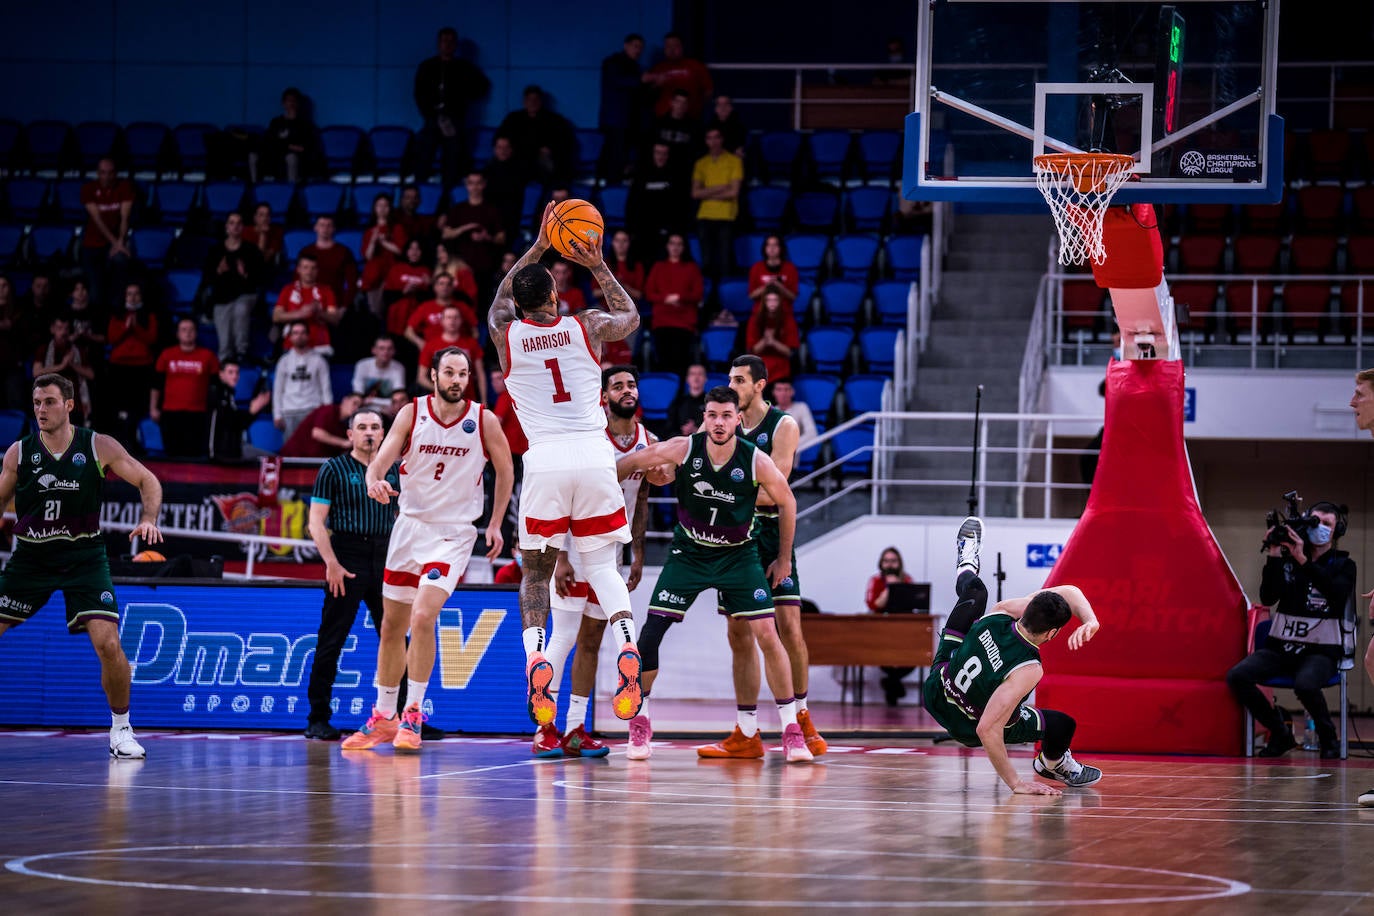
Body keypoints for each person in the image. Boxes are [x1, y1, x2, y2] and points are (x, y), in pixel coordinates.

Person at [488, 202, 643, 729]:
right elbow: (631, 317)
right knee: (602, 567)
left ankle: (537, 660)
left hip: (546, 460)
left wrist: (538, 244)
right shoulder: (586, 326)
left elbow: (499, 299)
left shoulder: (504, 333)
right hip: (595, 455)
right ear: (555, 296)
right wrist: (597, 263)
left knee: (535, 574)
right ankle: (627, 645)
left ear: (520, 303)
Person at [614, 386, 810, 762]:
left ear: (738, 419)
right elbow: (630, 463)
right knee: (651, 634)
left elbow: (787, 500)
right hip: (689, 554)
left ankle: (791, 730)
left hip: (738, 556)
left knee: (768, 635)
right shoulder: (684, 447)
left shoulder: (755, 459)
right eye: (712, 416)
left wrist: (783, 558)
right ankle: (639, 721)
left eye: (726, 416)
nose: (719, 423)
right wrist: (597, 490)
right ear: (704, 417)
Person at [344, 348, 513, 752]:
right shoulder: (411, 413)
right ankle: (383, 717)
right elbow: (377, 464)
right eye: (449, 373)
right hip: (409, 529)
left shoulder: (483, 420)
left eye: (463, 373)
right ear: (433, 376)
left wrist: (494, 523)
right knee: (390, 627)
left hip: (453, 534)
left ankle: (413, 714)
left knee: (422, 617)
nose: (457, 380)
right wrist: (374, 481)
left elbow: (506, 470)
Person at [0, 373, 163, 758]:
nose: (41, 409)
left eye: (50, 402)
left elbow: (148, 479)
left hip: (84, 557)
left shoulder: (97, 445)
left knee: (108, 644)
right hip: (31, 558)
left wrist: (149, 518)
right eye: (37, 402)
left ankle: (121, 729)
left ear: (70, 405)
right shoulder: (18, 453)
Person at [698, 355, 827, 759]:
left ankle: (802, 716)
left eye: (739, 380)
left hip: (770, 533)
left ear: (760, 385)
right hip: (734, 536)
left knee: (789, 627)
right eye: (730, 378)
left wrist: (726, 492)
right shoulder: (720, 423)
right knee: (738, 634)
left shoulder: (783, 425)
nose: (732, 385)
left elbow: (778, 490)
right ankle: (747, 731)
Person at [923, 517, 1104, 794]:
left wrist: (1091, 620)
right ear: (1051, 634)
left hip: (936, 688)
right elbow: (986, 729)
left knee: (975, 593)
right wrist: (1016, 783)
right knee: (1061, 724)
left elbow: (1068, 591)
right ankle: (1053, 764)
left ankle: (967, 565)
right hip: (964, 726)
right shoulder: (1029, 668)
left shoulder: (1001, 612)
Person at [535, 365, 657, 758]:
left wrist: (637, 552)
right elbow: (562, 498)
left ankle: (574, 728)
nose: (627, 390)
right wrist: (559, 559)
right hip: (574, 551)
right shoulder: (589, 439)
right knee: (564, 638)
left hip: (610, 556)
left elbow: (641, 502)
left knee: (592, 643)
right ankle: (543, 728)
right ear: (603, 396)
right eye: (618, 385)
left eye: (631, 384)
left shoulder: (647, 441)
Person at [304, 406, 414, 740]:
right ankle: (318, 717)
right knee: (332, 638)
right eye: (362, 426)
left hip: (387, 555)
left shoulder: (396, 470)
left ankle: (406, 718)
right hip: (347, 555)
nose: (369, 432)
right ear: (350, 434)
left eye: (375, 427)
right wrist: (332, 563)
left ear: (384, 434)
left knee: (396, 638)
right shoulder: (333, 469)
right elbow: (315, 522)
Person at [1227, 501, 1353, 758]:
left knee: (1305, 685)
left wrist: (1303, 561)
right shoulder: (1288, 560)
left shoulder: (1344, 565)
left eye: (1326, 524)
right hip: (1281, 648)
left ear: (1337, 530)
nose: (1319, 528)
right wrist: (1274, 554)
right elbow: (1268, 596)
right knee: (1237, 676)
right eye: (1315, 522)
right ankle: (1280, 733)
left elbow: (1337, 594)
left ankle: (1329, 738)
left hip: (1321, 652)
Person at [413, 26, 491, 190]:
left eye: (450, 42)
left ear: (455, 45)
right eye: (444, 41)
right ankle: (420, 196)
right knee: (424, 157)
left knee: (453, 161)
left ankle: (448, 199)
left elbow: (481, 87)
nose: (447, 45)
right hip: (433, 118)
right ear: (438, 44)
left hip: (455, 120)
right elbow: (419, 94)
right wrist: (433, 114)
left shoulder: (464, 67)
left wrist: (460, 100)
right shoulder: (427, 66)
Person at [151, 317, 221, 458]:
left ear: (196, 333)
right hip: (170, 413)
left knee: (193, 456)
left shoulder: (208, 356)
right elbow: (156, 384)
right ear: (177, 334)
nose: (187, 333)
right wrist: (153, 408)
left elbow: (217, 386)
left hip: (198, 415)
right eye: (183, 330)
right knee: (172, 456)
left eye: (191, 330)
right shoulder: (167, 354)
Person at [201, 211, 265, 364]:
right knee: (224, 315)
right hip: (222, 296)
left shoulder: (251, 250)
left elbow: (260, 279)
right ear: (226, 227)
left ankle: (241, 352)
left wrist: (245, 275)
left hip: (246, 294)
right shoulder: (216, 251)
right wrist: (218, 271)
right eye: (232, 223)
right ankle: (225, 360)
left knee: (240, 309)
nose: (235, 226)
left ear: (242, 227)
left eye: (238, 223)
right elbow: (207, 278)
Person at [104, 282, 160, 444]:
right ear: (124, 296)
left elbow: (152, 338)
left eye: (136, 293)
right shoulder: (117, 314)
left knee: (137, 407)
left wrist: (136, 328)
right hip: (119, 366)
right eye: (129, 294)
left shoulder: (149, 314)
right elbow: (112, 338)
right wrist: (125, 327)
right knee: (120, 406)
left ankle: (135, 439)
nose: (133, 297)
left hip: (142, 366)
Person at [496, 85, 576, 191]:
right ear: (524, 101)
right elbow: (499, 138)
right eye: (529, 99)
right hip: (517, 158)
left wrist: (549, 149)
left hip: (540, 160)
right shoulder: (513, 118)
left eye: (536, 99)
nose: (532, 102)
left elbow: (564, 142)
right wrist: (504, 148)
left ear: (541, 101)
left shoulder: (554, 120)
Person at [644, 234, 704, 377]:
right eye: (672, 243)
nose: (675, 247)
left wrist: (680, 297)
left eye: (679, 244)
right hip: (662, 322)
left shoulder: (692, 268)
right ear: (667, 246)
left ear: (684, 247)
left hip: (684, 323)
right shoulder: (658, 267)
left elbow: (698, 294)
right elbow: (649, 293)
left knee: (680, 364)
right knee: (662, 364)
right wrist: (666, 299)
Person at [79, 158, 135, 308]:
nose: (107, 177)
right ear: (98, 174)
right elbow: (97, 220)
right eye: (103, 173)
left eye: (110, 173)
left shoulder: (124, 187)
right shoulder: (88, 189)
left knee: (121, 262)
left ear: (115, 174)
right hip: (92, 245)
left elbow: (125, 217)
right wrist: (115, 242)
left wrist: (121, 241)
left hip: (115, 245)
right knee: (96, 291)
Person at [692, 127, 743, 288]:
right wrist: (722, 187)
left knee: (725, 261)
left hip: (726, 216)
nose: (713, 142)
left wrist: (707, 192)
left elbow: (734, 192)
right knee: (706, 261)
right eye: (709, 138)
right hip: (704, 216)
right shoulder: (701, 163)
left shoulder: (735, 161)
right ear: (706, 141)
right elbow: (695, 193)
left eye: (716, 137)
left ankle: (725, 300)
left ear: (722, 139)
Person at [865, 546, 917, 705]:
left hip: (903, 632)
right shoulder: (875, 581)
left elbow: (912, 604)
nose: (890, 565)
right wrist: (890, 588)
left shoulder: (907, 580)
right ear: (881, 563)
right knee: (884, 658)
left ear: (899, 563)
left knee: (913, 657)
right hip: (881, 632)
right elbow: (874, 605)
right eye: (886, 561)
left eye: (893, 561)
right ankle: (894, 686)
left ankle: (890, 683)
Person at [439, 173, 506, 294]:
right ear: (466, 185)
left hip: (485, 268)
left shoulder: (492, 209)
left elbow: (501, 238)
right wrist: (466, 228)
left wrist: (487, 237)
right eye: (471, 183)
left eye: (478, 183)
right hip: (461, 267)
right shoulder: (458, 209)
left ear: (483, 185)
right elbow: (446, 234)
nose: (474, 187)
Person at [627, 142, 691, 261]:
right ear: (652, 154)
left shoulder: (677, 177)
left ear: (668, 155)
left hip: (666, 232)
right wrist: (632, 229)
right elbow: (632, 204)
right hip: (643, 230)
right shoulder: (641, 175)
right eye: (658, 153)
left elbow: (681, 206)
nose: (661, 156)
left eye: (664, 153)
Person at [272, 321, 333, 439]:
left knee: (312, 451)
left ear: (308, 336)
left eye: (302, 333)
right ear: (290, 337)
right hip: (289, 411)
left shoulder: (319, 360)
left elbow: (326, 389)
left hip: (312, 410)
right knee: (290, 453)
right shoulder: (284, 361)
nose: (299, 336)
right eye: (295, 333)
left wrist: (327, 415)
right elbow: (278, 390)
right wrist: (277, 415)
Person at [598, 33, 646, 180]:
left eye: (640, 48)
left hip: (629, 123)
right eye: (635, 46)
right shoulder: (613, 62)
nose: (638, 50)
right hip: (615, 121)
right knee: (613, 156)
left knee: (624, 157)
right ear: (626, 45)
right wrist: (641, 80)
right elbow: (617, 81)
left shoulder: (636, 67)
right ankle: (608, 188)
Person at [32, 315, 95, 427]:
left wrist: (72, 364)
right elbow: (36, 372)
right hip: (50, 402)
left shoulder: (77, 350)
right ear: (52, 329)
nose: (64, 332)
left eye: (66, 328)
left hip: (75, 404)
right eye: (59, 328)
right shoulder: (44, 349)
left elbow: (90, 374)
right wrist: (61, 366)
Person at [273, 253, 340, 358]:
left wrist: (319, 312)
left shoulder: (326, 291)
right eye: (305, 268)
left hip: (319, 346)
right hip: (291, 346)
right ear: (298, 269)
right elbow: (276, 316)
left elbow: (335, 319)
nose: (309, 272)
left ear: (317, 271)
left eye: (313, 268)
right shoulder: (288, 290)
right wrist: (301, 313)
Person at [416, 303, 485, 404]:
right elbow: (421, 378)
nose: (452, 321)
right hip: (440, 403)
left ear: (461, 320)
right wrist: (443, 389)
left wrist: (484, 400)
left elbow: (480, 374)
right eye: (448, 317)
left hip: (468, 400)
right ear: (442, 321)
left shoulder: (472, 344)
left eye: (456, 317)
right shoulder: (430, 345)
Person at [207, 360, 271, 461]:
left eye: (237, 372)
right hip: (220, 455)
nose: (235, 376)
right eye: (230, 372)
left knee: (272, 458)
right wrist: (252, 411)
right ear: (221, 374)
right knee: (270, 459)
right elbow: (232, 423)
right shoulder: (217, 393)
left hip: (234, 449)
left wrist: (253, 411)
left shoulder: (229, 394)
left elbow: (236, 422)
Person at [360, 194, 407, 317]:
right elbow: (368, 256)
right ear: (374, 208)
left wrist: (384, 242)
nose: (382, 208)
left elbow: (400, 250)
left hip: (391, 274)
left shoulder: (397, 228)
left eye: (385, 205)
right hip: (374, 276)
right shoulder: (369, 231)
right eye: (379, 205)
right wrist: (373, 241)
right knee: (375, 312)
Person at [645, 33, 713, 119]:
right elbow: (647, 98)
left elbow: (708, 91)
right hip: (663, 120)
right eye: (668, 46)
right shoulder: (657, 69)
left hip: (690, 120)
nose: (671, 49)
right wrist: (656, 86)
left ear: (681, 47)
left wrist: (697, 107)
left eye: (675, 46)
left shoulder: (696, 66)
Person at [300, 216, 359, 313]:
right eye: (322, 225)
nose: (325, 229)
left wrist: (344, 307)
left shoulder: (343, 252)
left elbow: (352, 283)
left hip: (336, 303)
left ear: (334, 229)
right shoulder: (306, 252)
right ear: (315, 228)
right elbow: (297, 280)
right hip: (309, 302)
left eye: (329, 226)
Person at [281, 392, 363, 460]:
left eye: (359, 406)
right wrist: (343, 443)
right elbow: (317, 433)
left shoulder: (345, 427)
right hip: (293, 459)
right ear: (345, 400)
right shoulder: (328, 410)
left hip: (316, 464)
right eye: (354, 403)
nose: (356, 408)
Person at [745, 291, 799, 384]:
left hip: (782, 371)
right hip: (759, 369)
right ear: (763, 303)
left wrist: (773, 342)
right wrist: (765, 340)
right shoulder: (755, 320)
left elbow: (790, 353)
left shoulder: (788, 320)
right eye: (768, 300)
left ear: (780, 302)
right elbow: (752, 351)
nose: (772, 303)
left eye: (775, 300)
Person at [649, 90, 702, 183]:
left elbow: (696, 151)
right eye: (678, 101)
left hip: (683, 173)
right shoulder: (658, 123)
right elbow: (649, 147)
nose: (681, 105)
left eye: (684, 103)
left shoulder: (694, 127)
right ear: (671, 103)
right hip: (660, 171)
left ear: (687, 106)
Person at [353, 336, 407, 414]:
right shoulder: (362, 365)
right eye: (382, 348)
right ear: (374, 350)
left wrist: (372, 400)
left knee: (399, 405)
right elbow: (357, 395)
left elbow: (398, 400)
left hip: (388, 410)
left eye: (389, 349)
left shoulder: (399, 368)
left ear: (394, 351)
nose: (386, 352)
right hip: (364, 407)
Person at [747, 235, 799, 310]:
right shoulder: (756, 267)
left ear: (781, 248)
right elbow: (751, 296)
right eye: (768, 245)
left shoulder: (790, 268)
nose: (771, 248)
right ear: (764, 248)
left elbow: (793, 297)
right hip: (761, 311)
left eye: (775, 245)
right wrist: (766, 287)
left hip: (784, 311)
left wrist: (781, 288)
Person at [770, 378, 816, 446]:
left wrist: (789, 447)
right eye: (779, 389)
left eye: (786, 389)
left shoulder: (801, 407)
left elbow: (812, 434)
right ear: (773, 392)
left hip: (795, 451)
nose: (783, 393)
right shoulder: (770, 412)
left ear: (792, 392)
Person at [667, 363, 708, 437]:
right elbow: (669, 430)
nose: (696, 377)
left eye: (700, 374)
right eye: (693, 374)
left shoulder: (711, 403)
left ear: (705, 379)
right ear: (687, 379)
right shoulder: (678, 402)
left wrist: (696, 430)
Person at [704, 95, 748, 159]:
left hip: (732, 161)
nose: (722, 108)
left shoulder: (740, 127)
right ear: (715, 109)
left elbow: (741, 148)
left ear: (731, 107)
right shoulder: (709, 127)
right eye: (719, 105)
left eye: (726, 104)